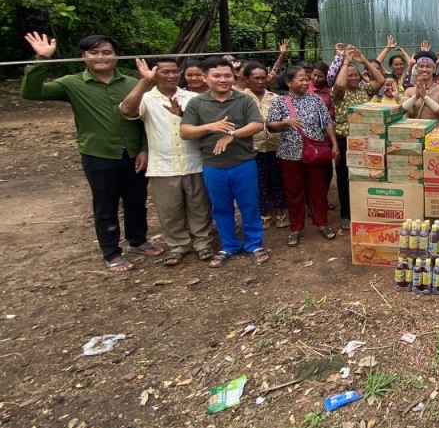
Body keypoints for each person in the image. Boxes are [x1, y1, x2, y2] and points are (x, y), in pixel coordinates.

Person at [22, 32, 158, 272]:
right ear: (83, 56)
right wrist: (41, 59)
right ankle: (111, 252)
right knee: (105, 205)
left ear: (115, 56)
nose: (101, 57)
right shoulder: (71, 83)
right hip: (98, 155)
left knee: (136, 200)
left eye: (107, 52)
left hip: (133, 154)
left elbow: (145, 121)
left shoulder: (131, 83)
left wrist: (145, 149)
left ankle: (138, 240)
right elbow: (32, 92)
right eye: (93, 53)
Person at [119, 57, 216, 266]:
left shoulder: (193, 98)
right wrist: (144, 81)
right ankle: (178, 245)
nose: (171, 76)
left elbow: (207, 126)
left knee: (199, 206)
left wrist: (182, 115)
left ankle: (203, 243)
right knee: (169, 209)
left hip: (194, 161)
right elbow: (127, 111)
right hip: (163, 165)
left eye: (175, 71)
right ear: (155, 74)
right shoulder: (146, 99)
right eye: (165, 72)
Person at [179, 57, 268, 267]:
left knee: (249, 205)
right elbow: (185, 131)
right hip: (213, 166)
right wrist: (211, 127)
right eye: (217, 75)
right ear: (205, 77)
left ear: (234, 76)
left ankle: (255, 244)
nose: (223, 79)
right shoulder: (197, 103)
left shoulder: (243, 100)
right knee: (220, 208)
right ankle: (229, 245)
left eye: (227, 75)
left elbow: (257, 124)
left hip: (244, 163)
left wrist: (233, 133)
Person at [266, 66, 340, 246]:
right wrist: (285, 122)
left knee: (319, 189)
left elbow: (327, 123)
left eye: (307, 79)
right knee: (294, 192)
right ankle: (296, 228)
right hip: (290, 154)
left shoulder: (315, 100)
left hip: (314, 153)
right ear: (289, 82)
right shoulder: (279, 102)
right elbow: (270, 126)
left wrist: (334, 143)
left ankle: (322, 224)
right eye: (301, 79)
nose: (306, 82)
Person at [331, 46, 386, 229]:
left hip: (366, 141)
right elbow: (339, 84)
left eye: (356, 75)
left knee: (365, 177)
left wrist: (363, 60)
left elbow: (381, 80)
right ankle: (346, 213)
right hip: (345, 140)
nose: (353, 78)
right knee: (345, 177)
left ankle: (364, 210)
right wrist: (346, 61)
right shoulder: (338, 94)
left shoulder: (364, 90)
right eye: (350, 75)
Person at [242, 62, 288, 229]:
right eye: (256, 78)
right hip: (253, 147)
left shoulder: (275, 98)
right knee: (259, 182)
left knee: (278, 180)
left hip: (276, 145)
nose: (260, 82)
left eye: (263, 78)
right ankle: (265, 212)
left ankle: (281, 211)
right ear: (247, 79)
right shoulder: (241, 98)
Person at [402, 51, 439, 123]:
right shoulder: (409, 91)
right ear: (416, 68)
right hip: (415, 132)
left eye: (428, 66)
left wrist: (425, 97)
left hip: (435, 132)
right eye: (421, 66)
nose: (424, 69)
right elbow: (400, 113)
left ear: (434, 69)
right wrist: (415, 97)